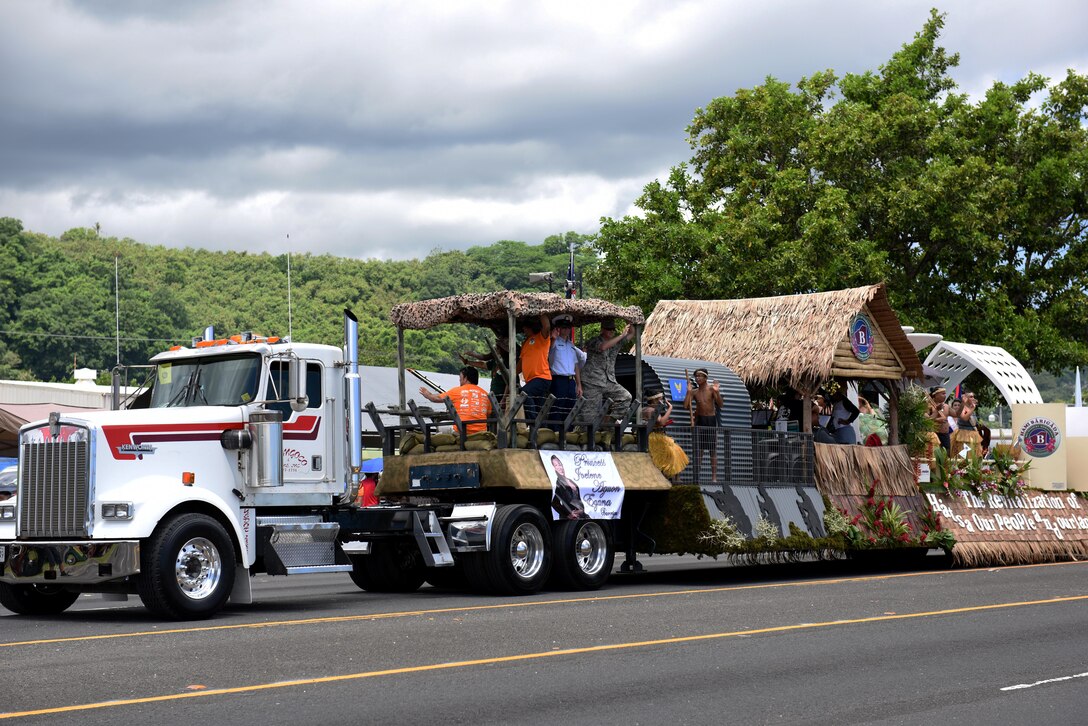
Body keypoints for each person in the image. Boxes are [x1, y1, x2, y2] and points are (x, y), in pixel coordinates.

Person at [580, 318, 634, 425]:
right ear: (602, 329)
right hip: (592, 382)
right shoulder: (594, 341)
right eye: (608, 329)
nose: (611, 331)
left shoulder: (615, 343)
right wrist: (621, 335)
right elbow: (603, 347)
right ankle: (583, 435)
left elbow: (632, 333)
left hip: (608, 381)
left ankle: (608, 423)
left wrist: (629, 319)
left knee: (626, 397)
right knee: (589, 418)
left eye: (612, 329)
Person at [417, 366, 492, 435]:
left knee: (440, 426)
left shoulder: (457, 391)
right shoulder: (485, 394)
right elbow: (487, 414)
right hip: (481, 431)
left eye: (460, 377)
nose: (459, 380)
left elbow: (437, 398)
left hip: (461, 430)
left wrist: (428, 395)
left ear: (465, 378)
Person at [684, 368, 724, 482]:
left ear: (705, 378)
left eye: (700, 376)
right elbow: (686, 406)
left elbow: (720, 404)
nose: (698, 378)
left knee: (712, 449)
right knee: (700, 449)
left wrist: (717, 392)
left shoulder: (711, 390)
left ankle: (714, 477)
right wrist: (688, 392)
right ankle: (697, 476)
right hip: (700, 420)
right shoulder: (694, 392)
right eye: (696, 376)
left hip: (710, 420)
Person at [548, 315, 585, 430]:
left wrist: (579, 384)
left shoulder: (571, 345)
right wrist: (553, 338)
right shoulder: (553, 342)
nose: (566, 330)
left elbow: (576, 366)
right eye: (563, 327)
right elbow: (547, 350)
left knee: (570, 408)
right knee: (557, 408)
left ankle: (567, 434)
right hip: (559, 379)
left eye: (568, 327)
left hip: (570, 380)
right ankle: (554, 434)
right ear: (558, 328)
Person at [642, 391, 689, 478]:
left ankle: (674, 478)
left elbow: (656, 422)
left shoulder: (645, 409)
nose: (662, 400)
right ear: (655, 400)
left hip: (652, 436)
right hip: (654, 437)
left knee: (676, 450)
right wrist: (670, 408)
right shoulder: (652, 410)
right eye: (660, 399)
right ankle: (674, 478)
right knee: (674, 452)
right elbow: (661, 422)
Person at [461, 337, 517, 410]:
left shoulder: (508, 363)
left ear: (502, 350)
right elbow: (483, 365)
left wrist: (504, 398)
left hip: (502, 396)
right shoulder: (496, 361)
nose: (496, 349)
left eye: (498, 348)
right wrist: (467, 362)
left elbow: (509, 382)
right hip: (494, 395)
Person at [517, 314, 552, 423]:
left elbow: (546, 327)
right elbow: (521, 363)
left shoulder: (541, 337)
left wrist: (542, 313)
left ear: (531, 327)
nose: (524, 330)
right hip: (532, 379)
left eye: (525, 327)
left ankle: (533, 423)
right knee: (538, 405)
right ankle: (541, 429)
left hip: (542, 377)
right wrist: (511, 372)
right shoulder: (525, 343)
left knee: (524, 393)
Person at [549, 454, 587, 520]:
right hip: (572, 517)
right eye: (556, 465)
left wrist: (581, 510)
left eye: (560, 464)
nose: (559, 467)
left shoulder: (570, 480)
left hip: (581, 515)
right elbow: (555, 503)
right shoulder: (559, 483)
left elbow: (578, 499)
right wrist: (567, 514)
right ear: (554, 468)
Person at [950, 391, 982, 458]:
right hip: (963, 434)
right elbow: (965, 418)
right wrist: (972, 409)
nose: (973, 398)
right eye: (970, 397)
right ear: (966, 398)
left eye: (973, 396)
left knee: (974, 455)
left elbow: (974, 423)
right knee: (964, 456)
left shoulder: (971, 407)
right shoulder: (962, 407)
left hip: (973, 434)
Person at [927, 388, 951, 452]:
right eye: (943, 393)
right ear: (936, 395)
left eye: (945, 393)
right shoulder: (929, 406)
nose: (945, 395)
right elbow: (927, 420)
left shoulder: (945, 405)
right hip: (936, 434)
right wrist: (937, 419)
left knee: (946, 455)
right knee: (937, 455)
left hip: (945, 435)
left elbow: (957, 414)